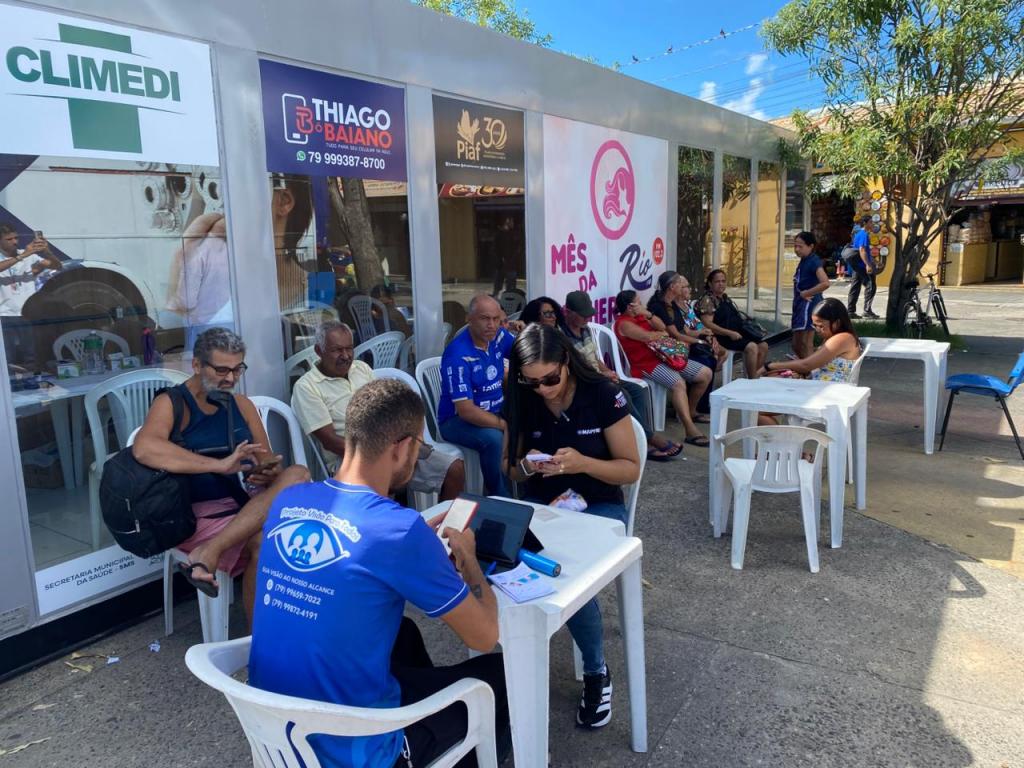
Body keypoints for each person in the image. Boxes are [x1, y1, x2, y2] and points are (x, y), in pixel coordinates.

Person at [249, 379, 511, 767]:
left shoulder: (289, 500)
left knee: (403, 633)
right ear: (402, 447)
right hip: (359, 751)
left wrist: (417, 546)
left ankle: (428, 717)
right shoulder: (399, 531)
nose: (418, 458)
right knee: (501, 675)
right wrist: (469, 560)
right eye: (420, 448)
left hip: (276, 732)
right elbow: (485, 635)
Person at [502, 323, 640, 729]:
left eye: (550, 379)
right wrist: (529, 466)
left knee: (568, 577)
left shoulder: (602, 393)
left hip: (599, 505)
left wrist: (582, 464)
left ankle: (596, 671)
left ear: (566, 361)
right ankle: (514, 654)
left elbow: (629, 469)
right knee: (503, 561)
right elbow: (510, 469)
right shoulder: (522, 396)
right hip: (544, 507)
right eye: (532, 382)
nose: (543, 390)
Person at [132, 328, 309, 621]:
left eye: (237, 369)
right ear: (197, 365)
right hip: (196, 513)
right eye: (222, 370)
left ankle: (210, 552)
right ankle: (261, 638)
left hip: (246, 501)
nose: (231, 378)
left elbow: (265, 458)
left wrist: (266, 471)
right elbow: (144, 448)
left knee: (298, 474)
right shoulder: (173, 403)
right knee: (267, 541)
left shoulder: (241, 404)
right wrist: (219, 465)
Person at [291, 320, 465, 501]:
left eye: (349, 348)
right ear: (319, 351)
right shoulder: (307, 386)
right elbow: (330, 442)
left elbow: (386, 410)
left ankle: (447, 520)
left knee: (454, 469)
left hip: (391, 445)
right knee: (391, 482)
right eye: (337, 350)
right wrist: (383, 452)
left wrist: (405, 440)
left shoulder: (361, 368)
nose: (345, 356)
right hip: (351, 458)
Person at [562, 289, 681, 460]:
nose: (588, 318)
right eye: (583, 315)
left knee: (637, 391)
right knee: (621, 394)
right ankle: (649, 438)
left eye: (589, 314)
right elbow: (572, 369)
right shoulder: (561, 335)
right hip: (583, 382)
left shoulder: (585, 329)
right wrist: (602, 377)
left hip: (598, 377)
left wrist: (607, 371)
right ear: (569, 312)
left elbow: (594, 358)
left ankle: (639, 438)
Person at [614, 290, 712, 447]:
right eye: (639, 302)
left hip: (666, 356)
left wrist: (649, 315)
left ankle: (691, 411)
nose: (642, 304)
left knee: (705, 374)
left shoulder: (642, 316)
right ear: (630, 306)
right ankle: (689, 429)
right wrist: (659, 333)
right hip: (646, 364)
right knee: (679, 383)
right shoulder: (624, 323)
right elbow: (648, 336)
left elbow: (663, 328)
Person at [437, 294, 509, 497]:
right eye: (485, 318)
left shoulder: (498, 337)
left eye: (496, 319)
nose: (491, 325)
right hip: (456, 421)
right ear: (469, 319)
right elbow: (466, 411)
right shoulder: (458, 354)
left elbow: (524, 353)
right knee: (494, 438)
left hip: (495, 409)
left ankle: (529, 487)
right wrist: (503, 424)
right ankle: (499, 495)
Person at [759, 298, 863, 382]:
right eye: (815, 325)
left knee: (771, 381)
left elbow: (806, 365)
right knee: (774, 380)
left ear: (837, 323)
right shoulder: (834, 337)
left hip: (829, 390)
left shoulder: (842, 338)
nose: (817, 330)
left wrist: (770, 366)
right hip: (820, 384)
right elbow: (811, 365)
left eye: (821, 326)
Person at [0, 225, 63, 364]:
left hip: (27, 313)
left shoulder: (29, 255)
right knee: (8, 358)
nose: (15, 242)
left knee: (31, 356)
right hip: (4, 314)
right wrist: (22, 256)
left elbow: (57, 266)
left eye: (16, 238)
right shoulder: (24, 254)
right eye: (9, 239)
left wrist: (47, 251)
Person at [697, 269, 769, 379]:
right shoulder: (708, 300)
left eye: (723, 281)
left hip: (736, 333)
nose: (721, 284)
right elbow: (708, 324)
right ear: (710, 284)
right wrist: (729, 333)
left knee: (763, 346)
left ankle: (755, 376)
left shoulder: (724, 298)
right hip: (722, 337)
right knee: (752, 347)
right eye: (717, 281)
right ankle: (752, 380)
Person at [791, 231, 831, 359]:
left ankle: (810, 368)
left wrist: (807, 293)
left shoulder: (813, 261)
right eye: (795, 246)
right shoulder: (804, 260)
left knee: (805, 342)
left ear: (811, 246)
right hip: (800, 305)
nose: (797, 249)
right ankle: (806, 365)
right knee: (796, 344)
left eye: (800, 246)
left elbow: (825, 283)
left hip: (809, 305)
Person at [847, 215, 879, 319]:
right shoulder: (864, 234)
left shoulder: (858, 234)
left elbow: (866, 251)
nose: (872, 224)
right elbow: (862, 250)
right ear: (865, 223)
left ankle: (850, 311)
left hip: (857, 265)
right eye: (870, 222)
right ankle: (867, 311)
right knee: (871, 286)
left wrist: (875, 261)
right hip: (862, 265)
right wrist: (868, 265)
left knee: (855, 287)